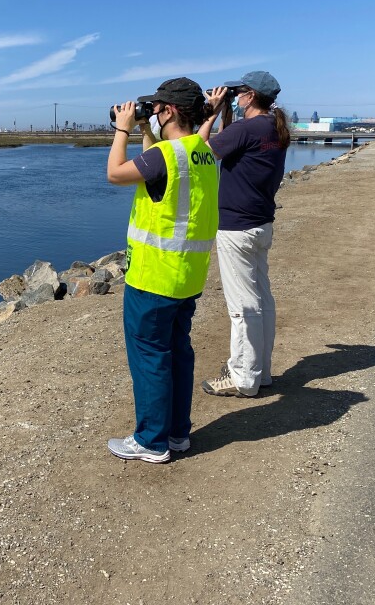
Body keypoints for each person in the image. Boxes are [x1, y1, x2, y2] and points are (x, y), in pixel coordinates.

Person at [105, 77, 220, 463]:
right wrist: (143, 129)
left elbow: (116, 173)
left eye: (155, 109)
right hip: (186, 276)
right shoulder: (201, 151)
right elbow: (158, 174)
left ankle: (150, 441)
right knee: (178, 354)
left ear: (169, 110)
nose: (150, 113)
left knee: (150, 357)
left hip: (153, 277)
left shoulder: (166, 157)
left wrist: (122, 128)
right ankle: (176, 435)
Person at [198, 71, 289, 397]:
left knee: (242, 306)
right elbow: (231, 144)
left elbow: (202, 153)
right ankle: (260, 371)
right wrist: (226, 113)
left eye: (240, 92)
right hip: (261, 224)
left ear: (250, 95)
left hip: (237, 228)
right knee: (261, 301)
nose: (235, 96)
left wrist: (210, 111)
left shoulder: (248, 128)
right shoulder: (272, 127)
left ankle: (242, 378)